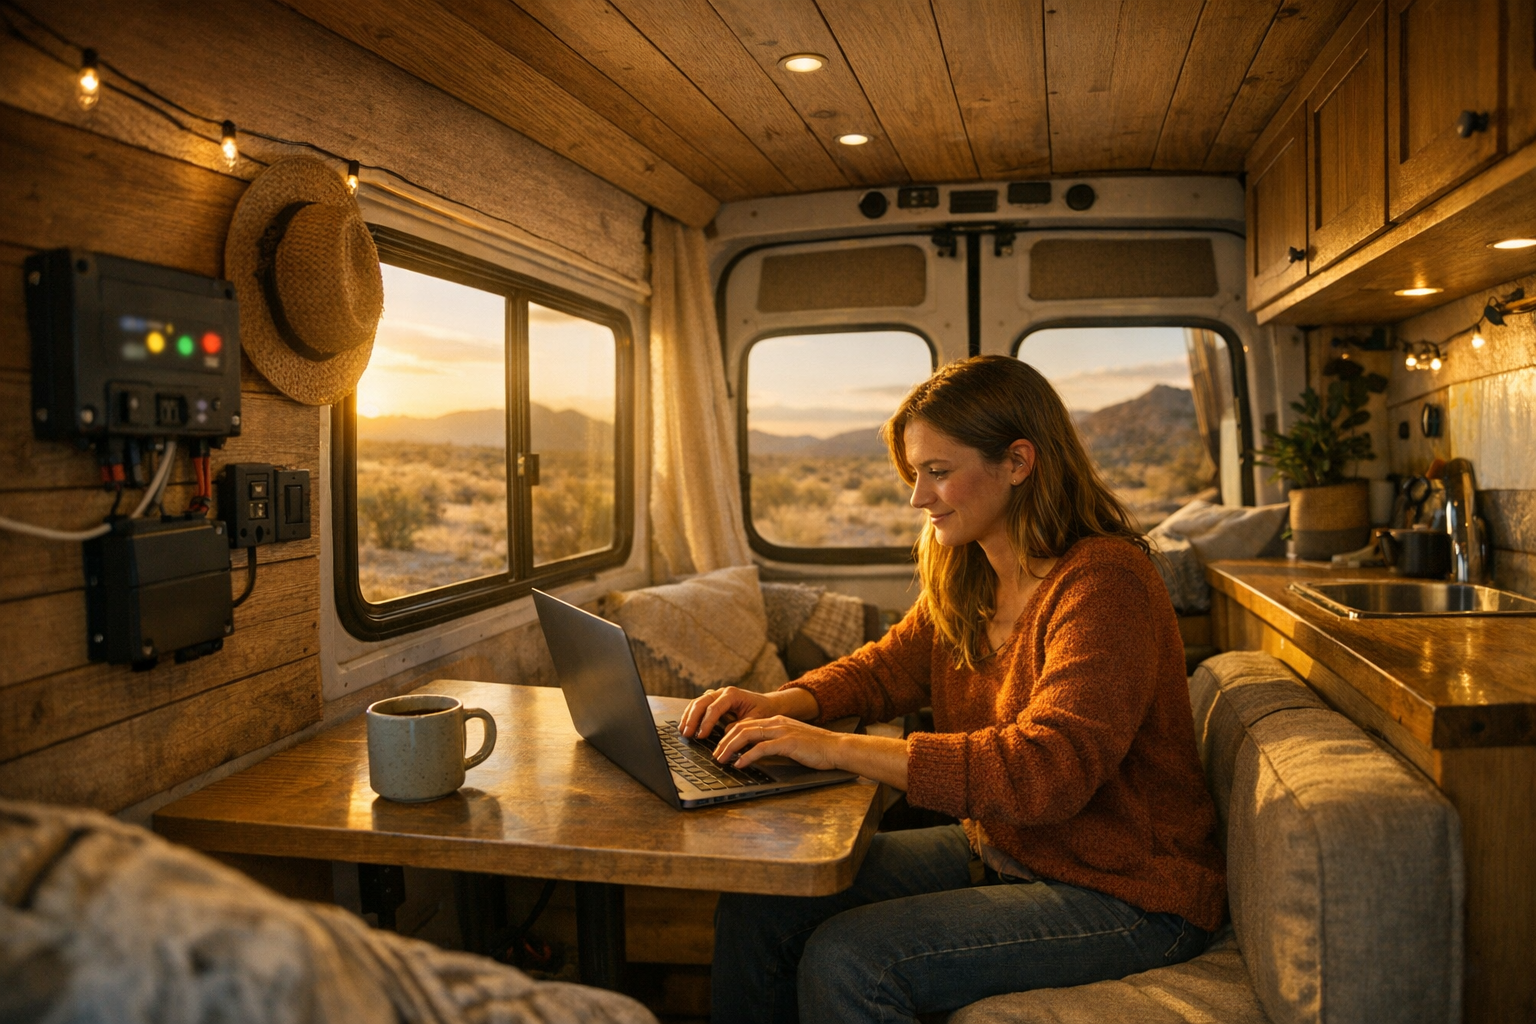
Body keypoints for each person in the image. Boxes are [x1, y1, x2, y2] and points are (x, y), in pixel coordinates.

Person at [680, 356, 1226, 1024]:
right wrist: (778, 704)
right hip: (1013, 851)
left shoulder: (1104, 583)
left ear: (1018, 462)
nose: (919, 498)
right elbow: (885, 669)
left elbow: (1044, 772)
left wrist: (832, 747)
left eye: (937, 472)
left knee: (852, 959)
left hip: (1130, 892)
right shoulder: (971, 572)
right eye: (915, 474)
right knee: (763, 901)